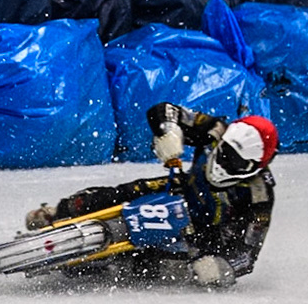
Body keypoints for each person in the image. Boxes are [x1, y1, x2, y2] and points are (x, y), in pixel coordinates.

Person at [24, 103, 279, 288]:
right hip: (183, 187)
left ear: (254, 166)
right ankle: (60, 213)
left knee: (149, 265)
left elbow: (248, 253)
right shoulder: (216, 130)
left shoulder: (260, 195)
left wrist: (222, 266)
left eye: (235, 160)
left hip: (204, 233)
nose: (224, 161)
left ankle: (104, 265)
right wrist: (169, 132)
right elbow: (166, 110)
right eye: (224, 151)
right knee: (123, 192)